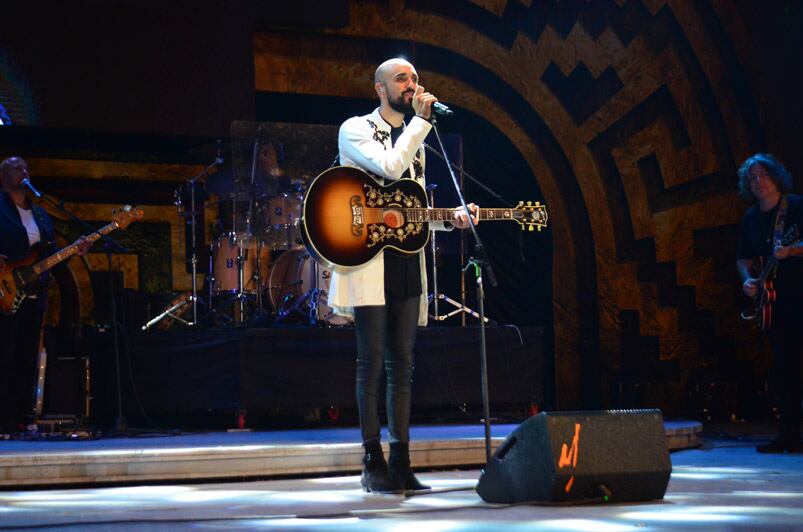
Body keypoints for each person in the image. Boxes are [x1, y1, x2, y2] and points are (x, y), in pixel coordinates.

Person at [328, 58, 478, 493]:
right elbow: (391, 168)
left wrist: (449, 219)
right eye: (402, 79)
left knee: (403, 365)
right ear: (380, 88)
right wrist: (421, 125)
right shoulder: (355, 129)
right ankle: (371, 460)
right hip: (369, 259)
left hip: (407, 259)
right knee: (371, 359)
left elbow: (407, 212)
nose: (411, 85)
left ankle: (402, 461)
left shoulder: (419, 139)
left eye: (414, 78)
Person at [0, 156, 91, 436]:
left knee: (27, 356)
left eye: (26, 168)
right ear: (3, 176)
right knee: (5, 354)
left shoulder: (40, 214)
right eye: (17, 168)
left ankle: (21, 417)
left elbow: (48, 256)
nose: (24, 172)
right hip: (5, 290)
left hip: (34, 293)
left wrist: (74, 250)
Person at [736, 153, 803, 453]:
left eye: (763, 175)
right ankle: (789, 433)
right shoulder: (751, 217)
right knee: (784, 368)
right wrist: (747, 280)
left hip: (798, 295)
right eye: (752, 178)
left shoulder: (797, 207)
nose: (758, 181)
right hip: (773, 304)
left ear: (776, 177)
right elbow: (743, 258)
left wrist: (794, 251)